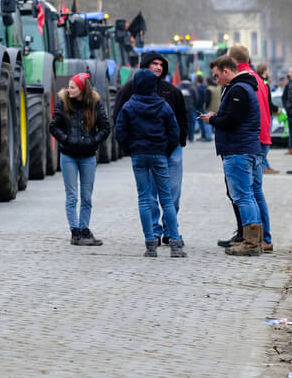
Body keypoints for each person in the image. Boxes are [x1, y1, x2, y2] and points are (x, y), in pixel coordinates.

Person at [113, 51, 188, 245]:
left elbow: (179, 120)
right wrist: (129, 147)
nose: (158, 67)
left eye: (161, 64)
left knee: (172, 192)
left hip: (170, 149)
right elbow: (119, 120)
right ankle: (154, 231)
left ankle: (170, 231)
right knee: (150, 196)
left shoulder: (171, 91)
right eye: (154, 63)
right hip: (145, 150)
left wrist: (176, 143)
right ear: (145, 66)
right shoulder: (129, 91)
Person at [199, 55, 266, 255]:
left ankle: (252, 244)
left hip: (239, 150)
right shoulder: (244, 87)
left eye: (217, 74)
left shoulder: (238, 89)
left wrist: (212, 119)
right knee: (249, 196)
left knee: (243, 196)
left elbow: (231, 121)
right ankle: (253, 240)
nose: (215, 79)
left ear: (227, 71)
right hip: (247, 148)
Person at [48, 72, 110, 245]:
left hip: (88, 157)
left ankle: (84, 229)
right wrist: (67, 140)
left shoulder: (95, 104)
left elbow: (105, 127)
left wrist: (92, 141)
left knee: (87, 196)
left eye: (72, 87)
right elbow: (53, 127)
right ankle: (75, 232)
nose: (69, 90)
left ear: (82, 89)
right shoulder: (63, 103)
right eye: (68, 86)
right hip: (68, 156)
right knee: (72, 196)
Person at [283, 65, 292, 171]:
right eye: (289, 71)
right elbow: (284, 98)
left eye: (291, 71)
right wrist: (288, 109)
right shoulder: (289, 85)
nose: (289, 73)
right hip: (290, 118)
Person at [178, 77, 198, 142]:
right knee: (191, 123)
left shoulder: (178, 87)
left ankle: (182, 137)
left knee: (181, 123)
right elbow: (196, 98)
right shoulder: (192, 87)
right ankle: (191, 138)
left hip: (180, 109)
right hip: (190, 108)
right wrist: (193, 105)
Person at [195, 74, 213, 141]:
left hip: (200, 107)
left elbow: (198, 99)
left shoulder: (198, 88)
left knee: (202, 122)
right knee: (204, 121)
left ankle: (205, 136)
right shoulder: (206, 87)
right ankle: (205, 135)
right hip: (205, 107)